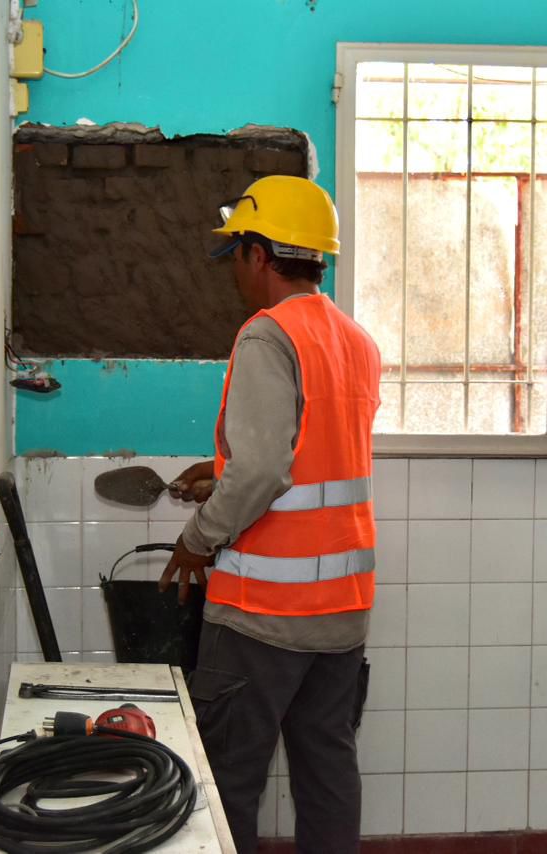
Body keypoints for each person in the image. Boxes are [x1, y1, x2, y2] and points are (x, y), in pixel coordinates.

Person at [158, 175, 382, 854]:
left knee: (228, 778)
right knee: (327, 768)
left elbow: (262, 470)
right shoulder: (353, 340)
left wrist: (197, 539)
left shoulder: (267, 336)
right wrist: (219, 471)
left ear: (259, 255)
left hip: (264, 613)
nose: (235, 270)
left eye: (236, 254)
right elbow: (308, 455)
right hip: (341, 609)